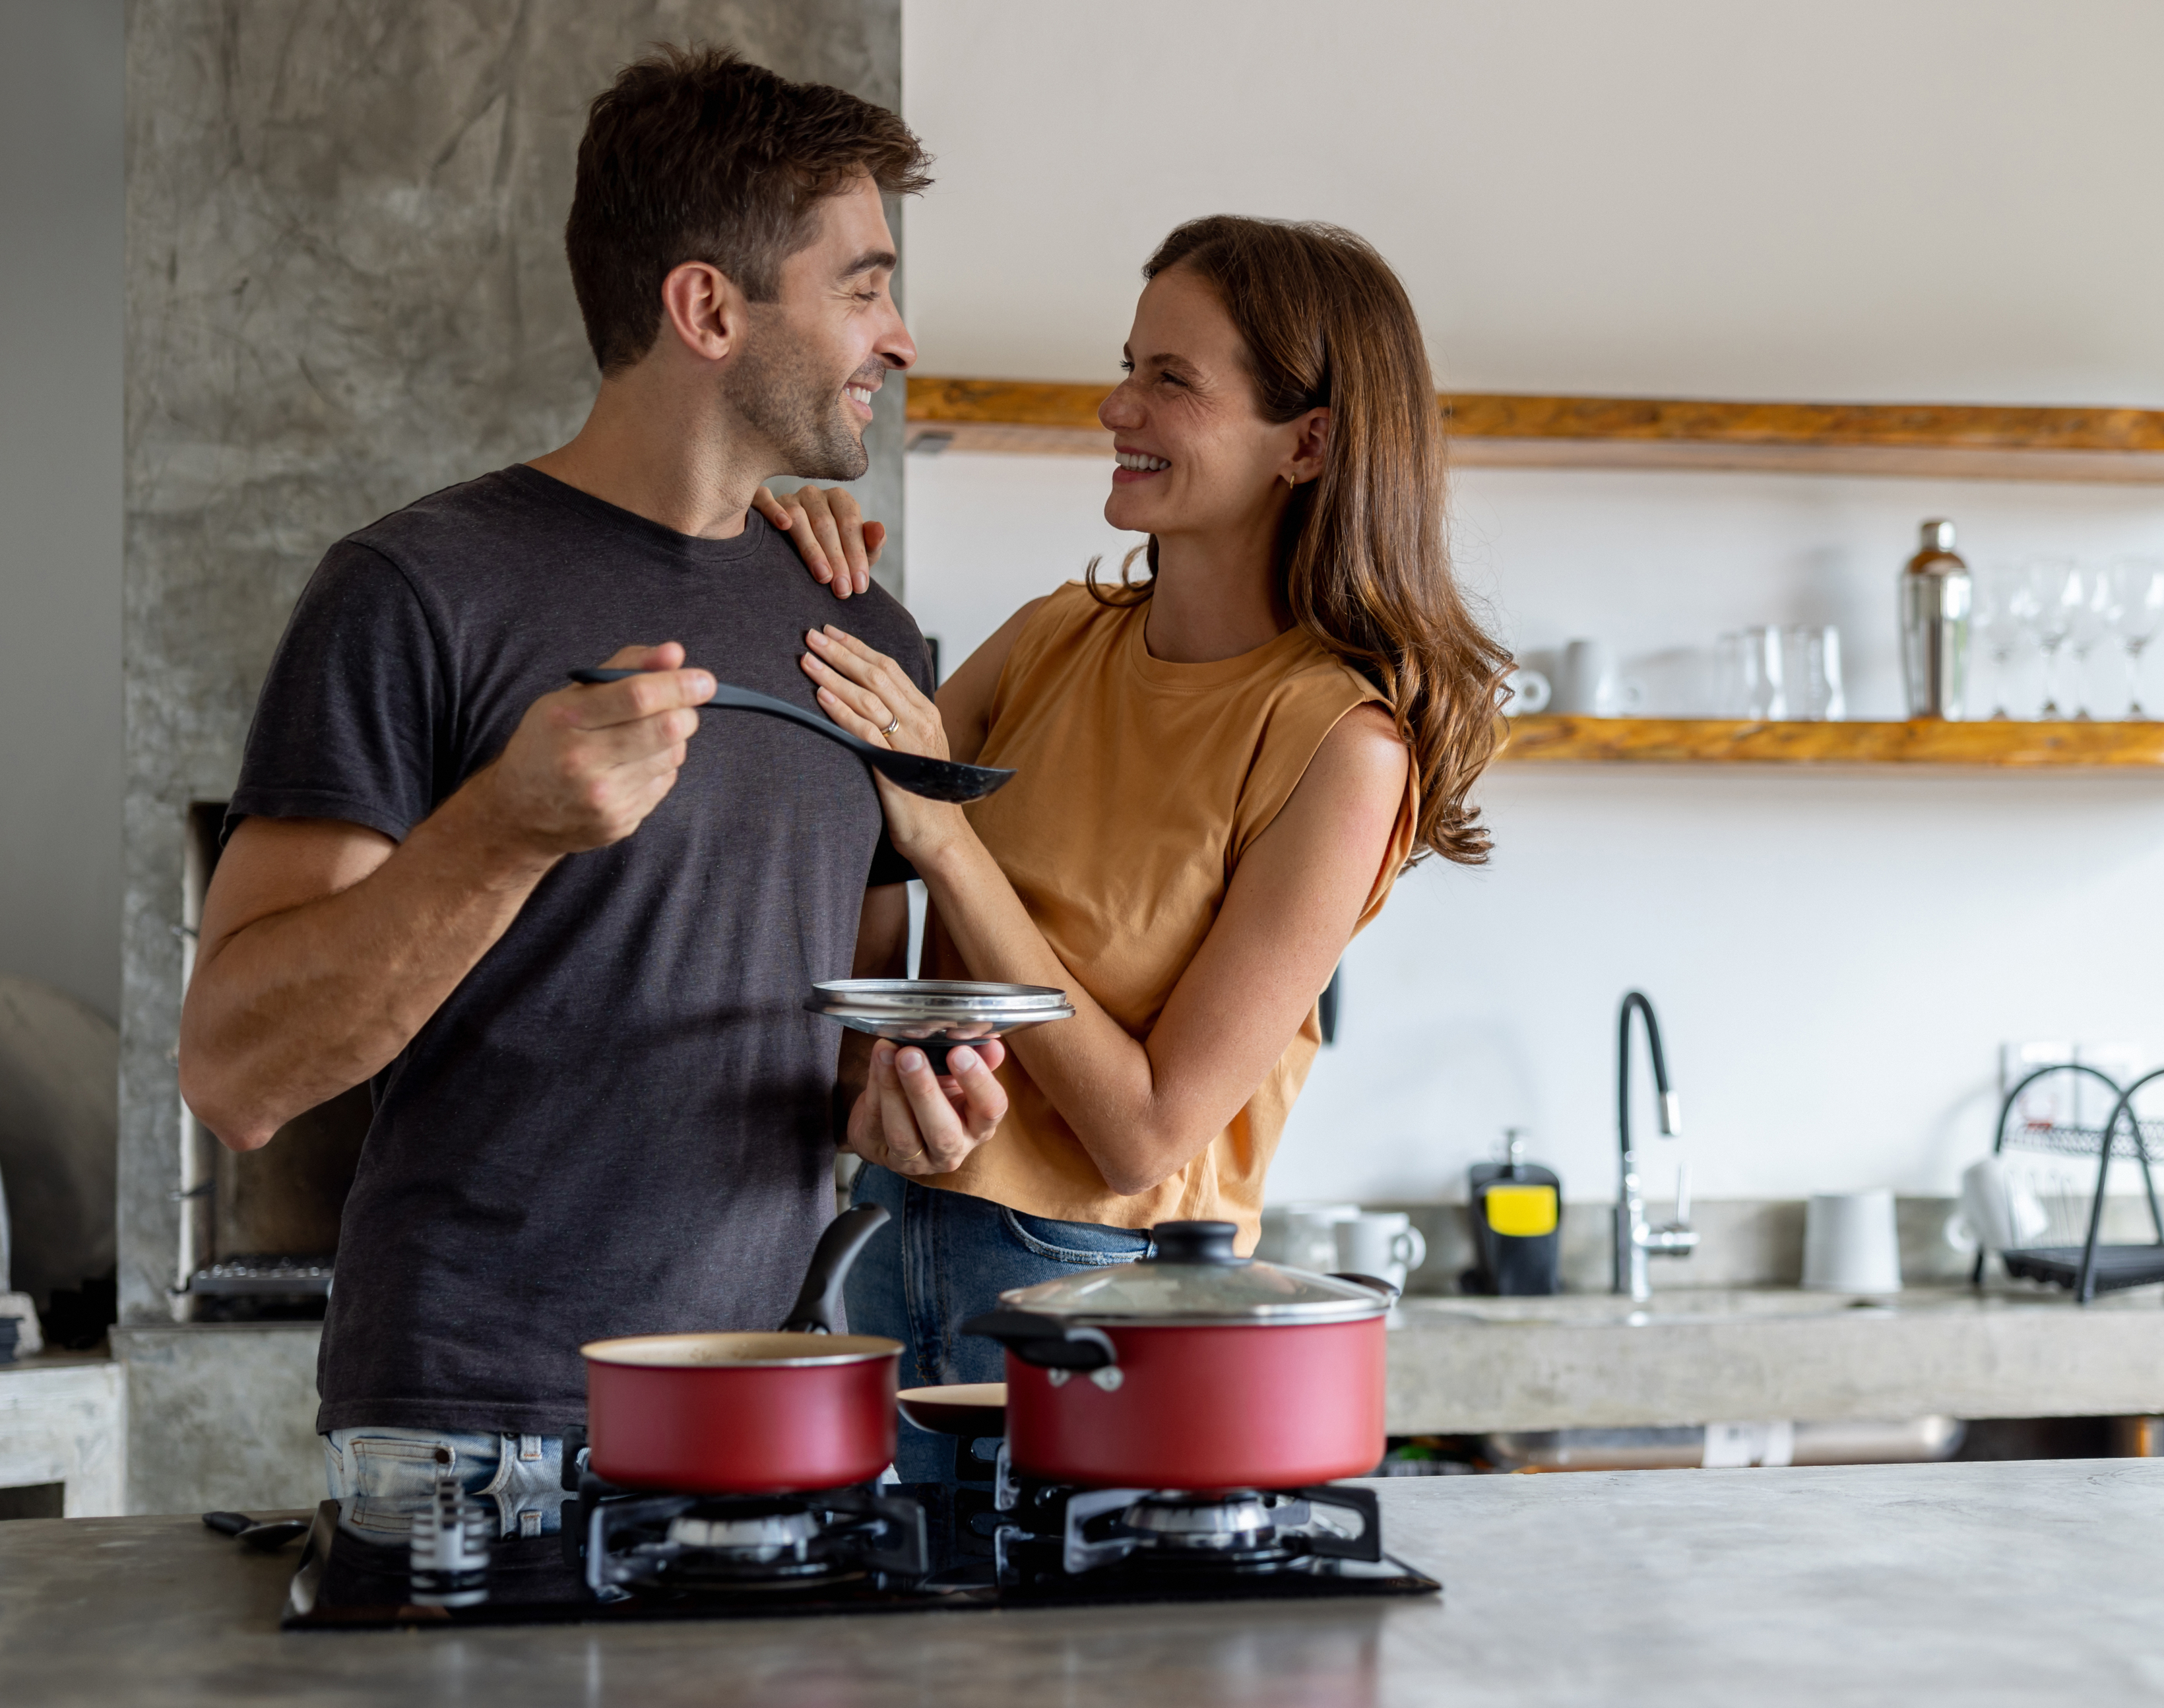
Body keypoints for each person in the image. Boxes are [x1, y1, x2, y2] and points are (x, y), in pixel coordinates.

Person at [174, 46, 1004, 1540]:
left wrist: (903, 1104)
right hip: (470, 1444)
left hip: (782, 1421)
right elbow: (239, 1077)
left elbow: (840, 1044)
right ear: (707, 309)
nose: (898, 332)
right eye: (863, 285)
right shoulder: (410, 593)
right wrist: (502, 827)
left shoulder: (867, 634)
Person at [759, 216, 1511, 1480]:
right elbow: (865, 842)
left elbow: (1147, 1132)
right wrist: (794, 564)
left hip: (1102, 1303)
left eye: (1172, 379)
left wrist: (946, 839)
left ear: (1308, 441)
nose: (1117, 405)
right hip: (885, 1233)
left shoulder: (1343, 745)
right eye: (1128, 365)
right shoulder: (1057, 637)